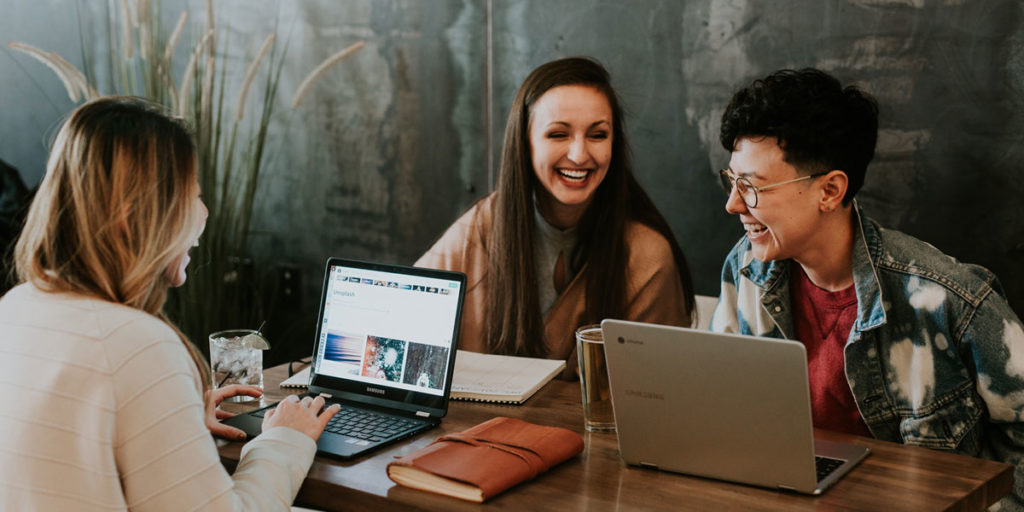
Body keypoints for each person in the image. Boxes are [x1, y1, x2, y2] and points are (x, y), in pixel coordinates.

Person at [0, 97, 340, 510]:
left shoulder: (17, 307)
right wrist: (287, 438)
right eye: (191, 196)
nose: (204, 212)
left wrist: (174, 421)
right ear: (133, 216)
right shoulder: (137, 344)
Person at [710, 68, 1024, 509]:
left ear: (830, 190)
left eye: (753, 187)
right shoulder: (744, 269)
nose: (734, 204)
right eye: (732, 180)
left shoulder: (948, 298)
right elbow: (717, 409)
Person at [417, 57, 695, 377]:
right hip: (477, 427)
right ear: (525, 143)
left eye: (598, 135)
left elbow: (661, 391)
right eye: (558, 135)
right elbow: (400, 319)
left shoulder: (647, 255)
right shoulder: (481, 227)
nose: (579, 155)